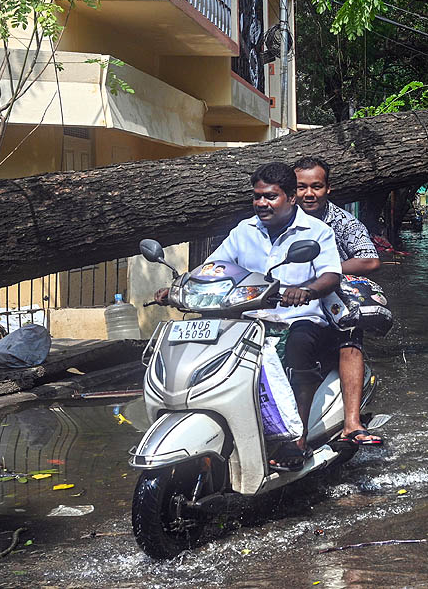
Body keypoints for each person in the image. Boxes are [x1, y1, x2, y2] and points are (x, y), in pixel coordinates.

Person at [156, 162, 343, 470]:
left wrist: (305, 291)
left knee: (298, 346)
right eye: (257, 196)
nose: (261, 203)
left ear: (291, 197)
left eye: (270, 197)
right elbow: (213, 268)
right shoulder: (244, 230)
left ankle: (296, 436)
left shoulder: (317, 232)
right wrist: (178, 287)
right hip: (248, 318)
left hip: (297, 318)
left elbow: (331, 276)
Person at [293, 156, 385, 446]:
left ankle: (352, 423)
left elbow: (370, 260)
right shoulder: (278, 221)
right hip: (287, 302)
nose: (309, 193)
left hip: (333, 302)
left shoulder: (342, 221)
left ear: (328, 188)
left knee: (349, 337)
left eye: (316, 187)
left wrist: (329, 269)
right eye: (302, 187)